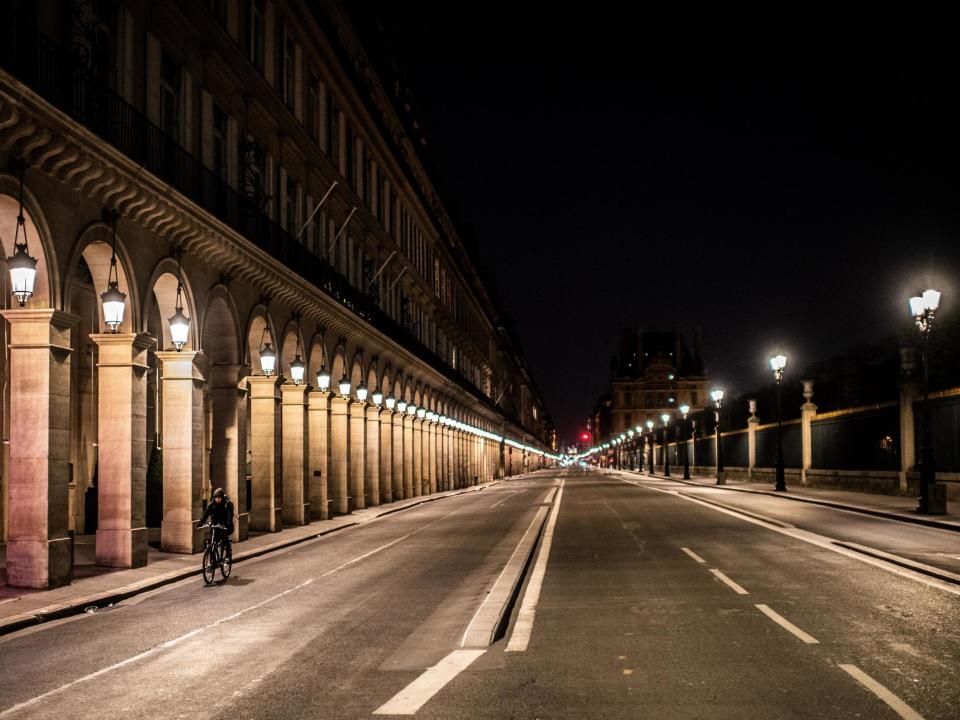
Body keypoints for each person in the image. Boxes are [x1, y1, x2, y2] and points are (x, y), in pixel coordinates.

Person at [198, 487, 234, 557]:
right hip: (215, 525)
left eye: (219, 498)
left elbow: (230, 515)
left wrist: (228, 524)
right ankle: (213, 559)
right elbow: (205, 514)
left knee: (224, 536)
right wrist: (201, 523)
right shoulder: (211, 505)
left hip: (225, 525)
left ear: (222, 497)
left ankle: (228, 552)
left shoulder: (227, 504)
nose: (217, 499)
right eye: (216, 498)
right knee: (213, 540)